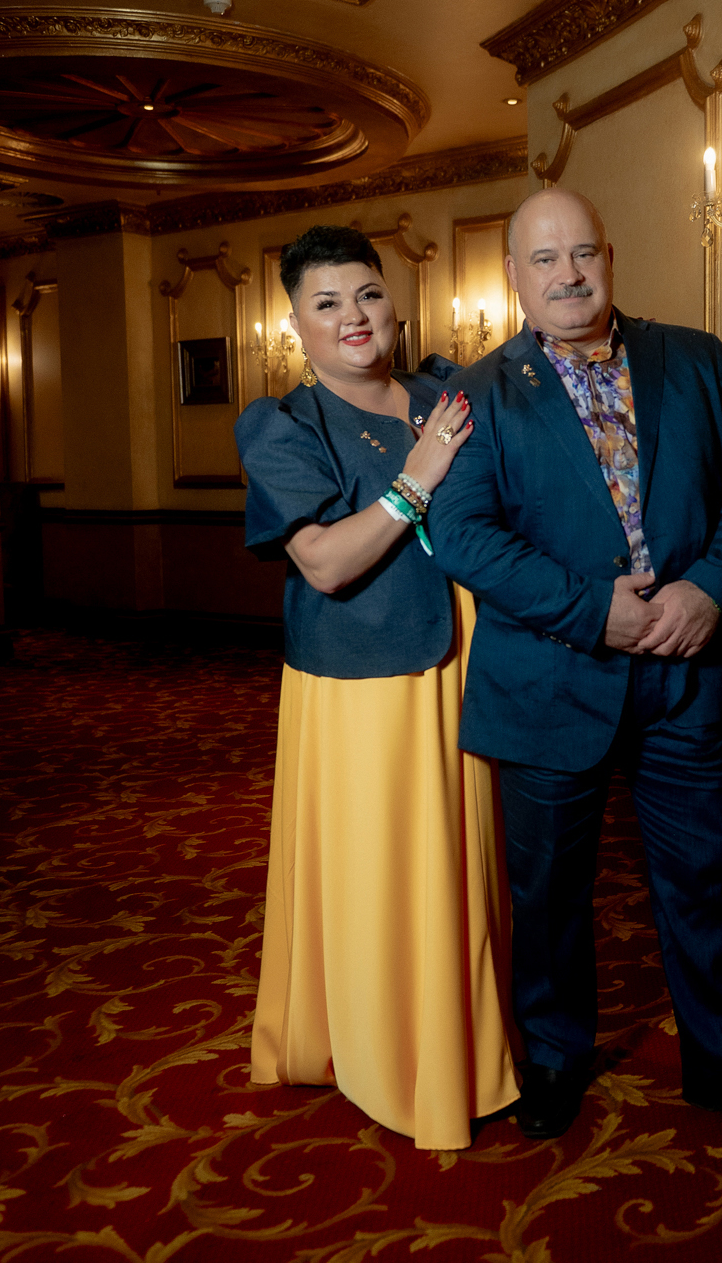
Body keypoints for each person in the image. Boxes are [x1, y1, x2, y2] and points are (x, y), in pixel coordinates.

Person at [429, 188, 722, 1147]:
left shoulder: (696, 357)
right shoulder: (475, 393)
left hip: (687, 671)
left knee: (706, 879)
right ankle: (556, 1060)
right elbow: (462, 534)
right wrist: (593, 610)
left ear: (611, 258)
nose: (568, 275)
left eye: (583, 253)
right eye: (544, 259)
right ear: (513, 276)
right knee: (548, 894)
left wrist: (711, 590)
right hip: (549, 681)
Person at [235, 225, 519, 1151]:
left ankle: (471, 1045)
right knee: (384, 873)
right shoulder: (283, 425)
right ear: (297, 326)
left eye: (365, 293)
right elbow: (322, 563)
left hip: (468, 666)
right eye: (326, 303)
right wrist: (415, 480)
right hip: (361, 683)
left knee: (465, 860)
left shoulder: (449, 391)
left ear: (393, 301)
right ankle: (390, 1058)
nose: (352, 316)